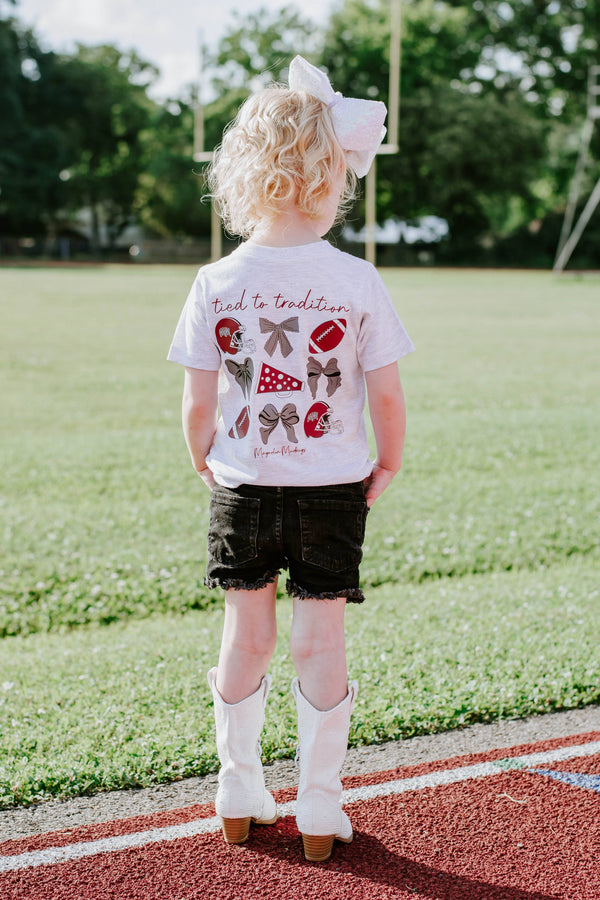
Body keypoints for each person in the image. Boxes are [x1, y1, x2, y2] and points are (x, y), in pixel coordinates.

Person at [167, 55, 415, 862]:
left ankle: (238, 787)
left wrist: (204, 455)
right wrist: (388, 462)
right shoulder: (356, 280)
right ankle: (317, 804)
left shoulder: (216, 280)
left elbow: (198, 404)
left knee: (245, 637)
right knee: (320, 642)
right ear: (334, 176)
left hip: (242, 485)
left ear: (244, 171)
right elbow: (385, 399)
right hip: (332, 488)